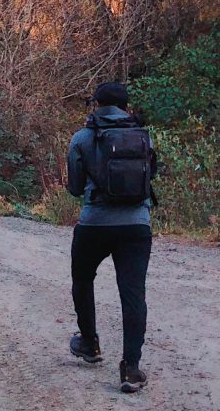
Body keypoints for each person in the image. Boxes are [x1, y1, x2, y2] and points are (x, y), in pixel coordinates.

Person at [65, 81, 155, 393]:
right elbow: (150, 176)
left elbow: (76, 188)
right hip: (137, 226)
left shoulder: (81, 138)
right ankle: (130, 368)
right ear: (126, 106)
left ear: (96, 104)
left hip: (94, 224)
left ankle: (89, 343)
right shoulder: (144, 137)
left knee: (82, 277)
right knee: (133, 294)